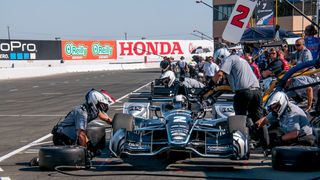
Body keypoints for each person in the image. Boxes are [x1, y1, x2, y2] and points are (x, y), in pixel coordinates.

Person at [211, 48, 267, 148]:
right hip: (257, 91)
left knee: (239, 120)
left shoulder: (229, 59)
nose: (219, 63)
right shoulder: (242, 60)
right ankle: (266, 146)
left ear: (222, 57)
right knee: (259, 119)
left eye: (219, 61)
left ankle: (242, 147)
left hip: (244, 92)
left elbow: (219, 74)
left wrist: (210, 84)